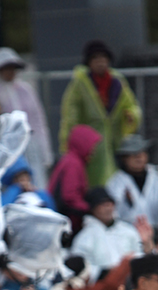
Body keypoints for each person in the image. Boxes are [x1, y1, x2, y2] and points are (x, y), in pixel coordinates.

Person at [59, 40, 142, 187]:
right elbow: (70, 116)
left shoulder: (117, 81)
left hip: (115, 141)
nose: (100, 63)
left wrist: (131, 115)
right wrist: (68, 143)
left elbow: (131, 104)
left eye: (104, 59)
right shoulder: (80, 84)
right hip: (92, 145)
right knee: (95, 180)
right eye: (96, 59)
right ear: (89, 62)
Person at [0, 47, 53, 189]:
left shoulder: (25, 90)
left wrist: (45, 149)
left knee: (36, 177)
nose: (10, 72)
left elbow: (38, 119)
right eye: (6, 68)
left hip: (30, 143)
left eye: (13, 68)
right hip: (8, 146)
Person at [106, 134, 158, 226]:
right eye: (133, 154)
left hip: (155, 231)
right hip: (127, 234)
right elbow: (112, 214)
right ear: (124, 158)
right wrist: (128, 203)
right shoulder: (115, 182)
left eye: (142, 153)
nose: (138, 157)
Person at [70, 187, 142, 281]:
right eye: (103, 204)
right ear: (93, 208)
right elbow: (81, 269)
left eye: (110, 203)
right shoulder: (84, 238)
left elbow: (140, 254)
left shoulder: (128, 230)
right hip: (101, 288)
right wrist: (106, 273)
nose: (108, 208)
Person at [48, 125, 102, 234]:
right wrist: (91, 209)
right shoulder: (73, 164)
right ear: (84, 143)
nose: (93, 150)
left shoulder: (71, 160)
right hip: (66, 221)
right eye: (92, 145)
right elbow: (70, 197)